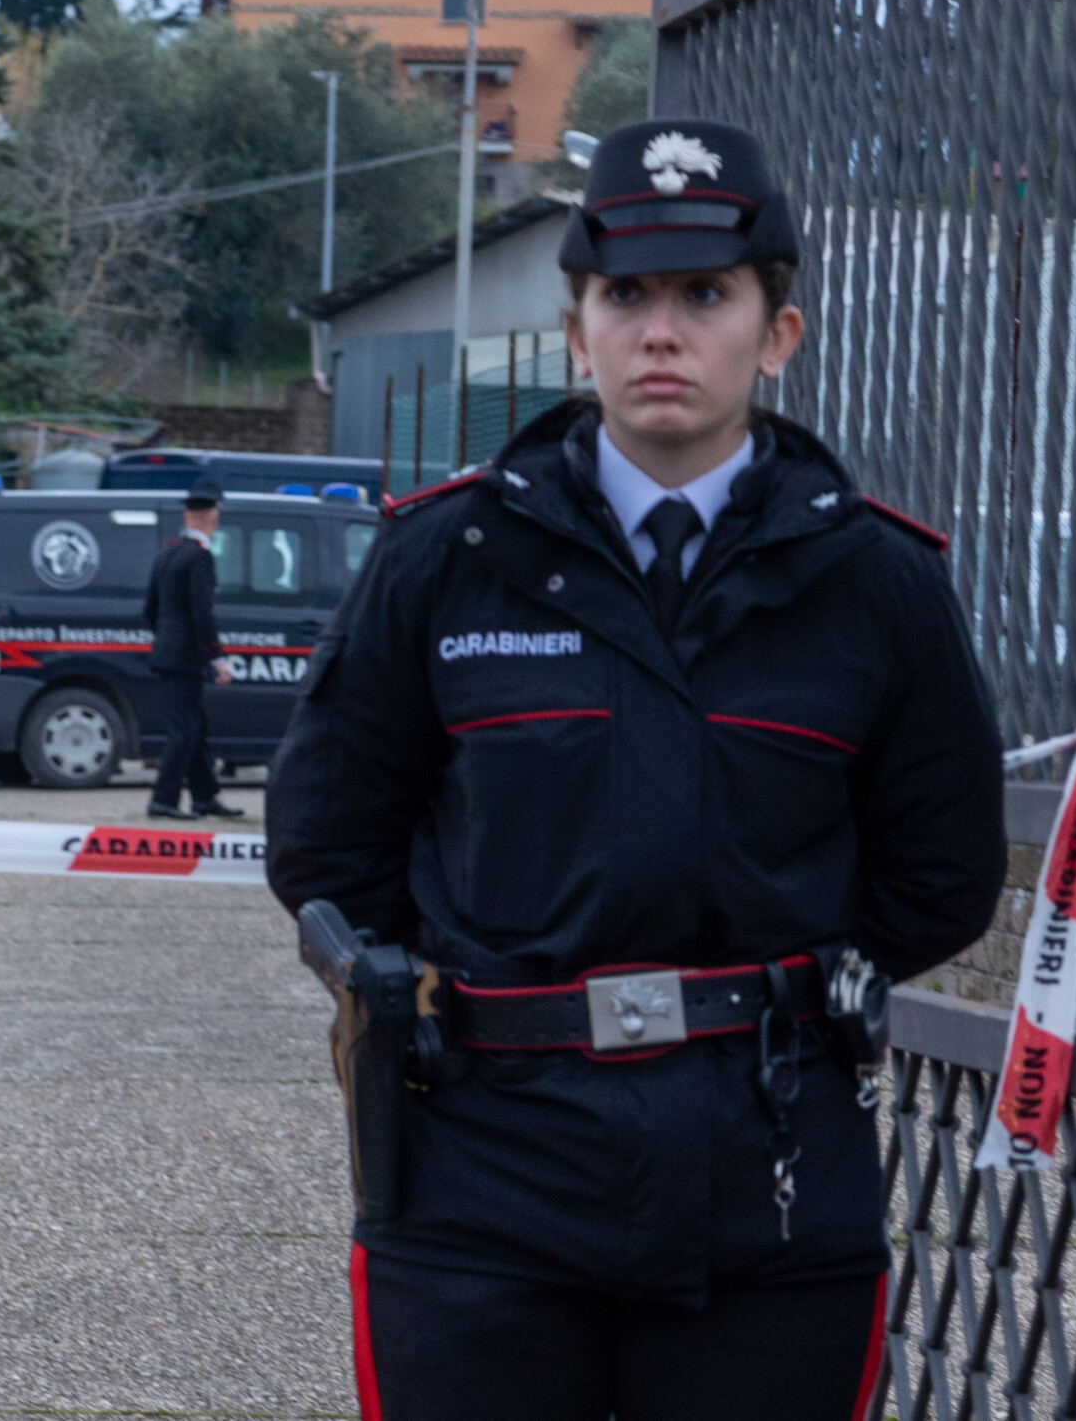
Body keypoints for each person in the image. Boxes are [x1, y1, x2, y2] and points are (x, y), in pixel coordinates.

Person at [266, 119, 1006, 1421]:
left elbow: (941, 870)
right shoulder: (447, 558)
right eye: (627, 296)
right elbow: (329, 839)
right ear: (576, 331)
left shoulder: (879, 585)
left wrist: (776, 988)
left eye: (706, 295)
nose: (661, 331)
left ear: (779, 331)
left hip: (768, 1174)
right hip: (485, 1172)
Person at [143, 479, 245, 820]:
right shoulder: (199, 558)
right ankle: (164, 800)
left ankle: (205, 797)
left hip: (168, 653)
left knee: (195, 727)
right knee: (184, 730)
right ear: (213, 519)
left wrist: (166, 639)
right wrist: (218, 658)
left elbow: (150, 610)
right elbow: (203, 613)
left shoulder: (167, 554)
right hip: (185, 657)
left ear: (188, 519)